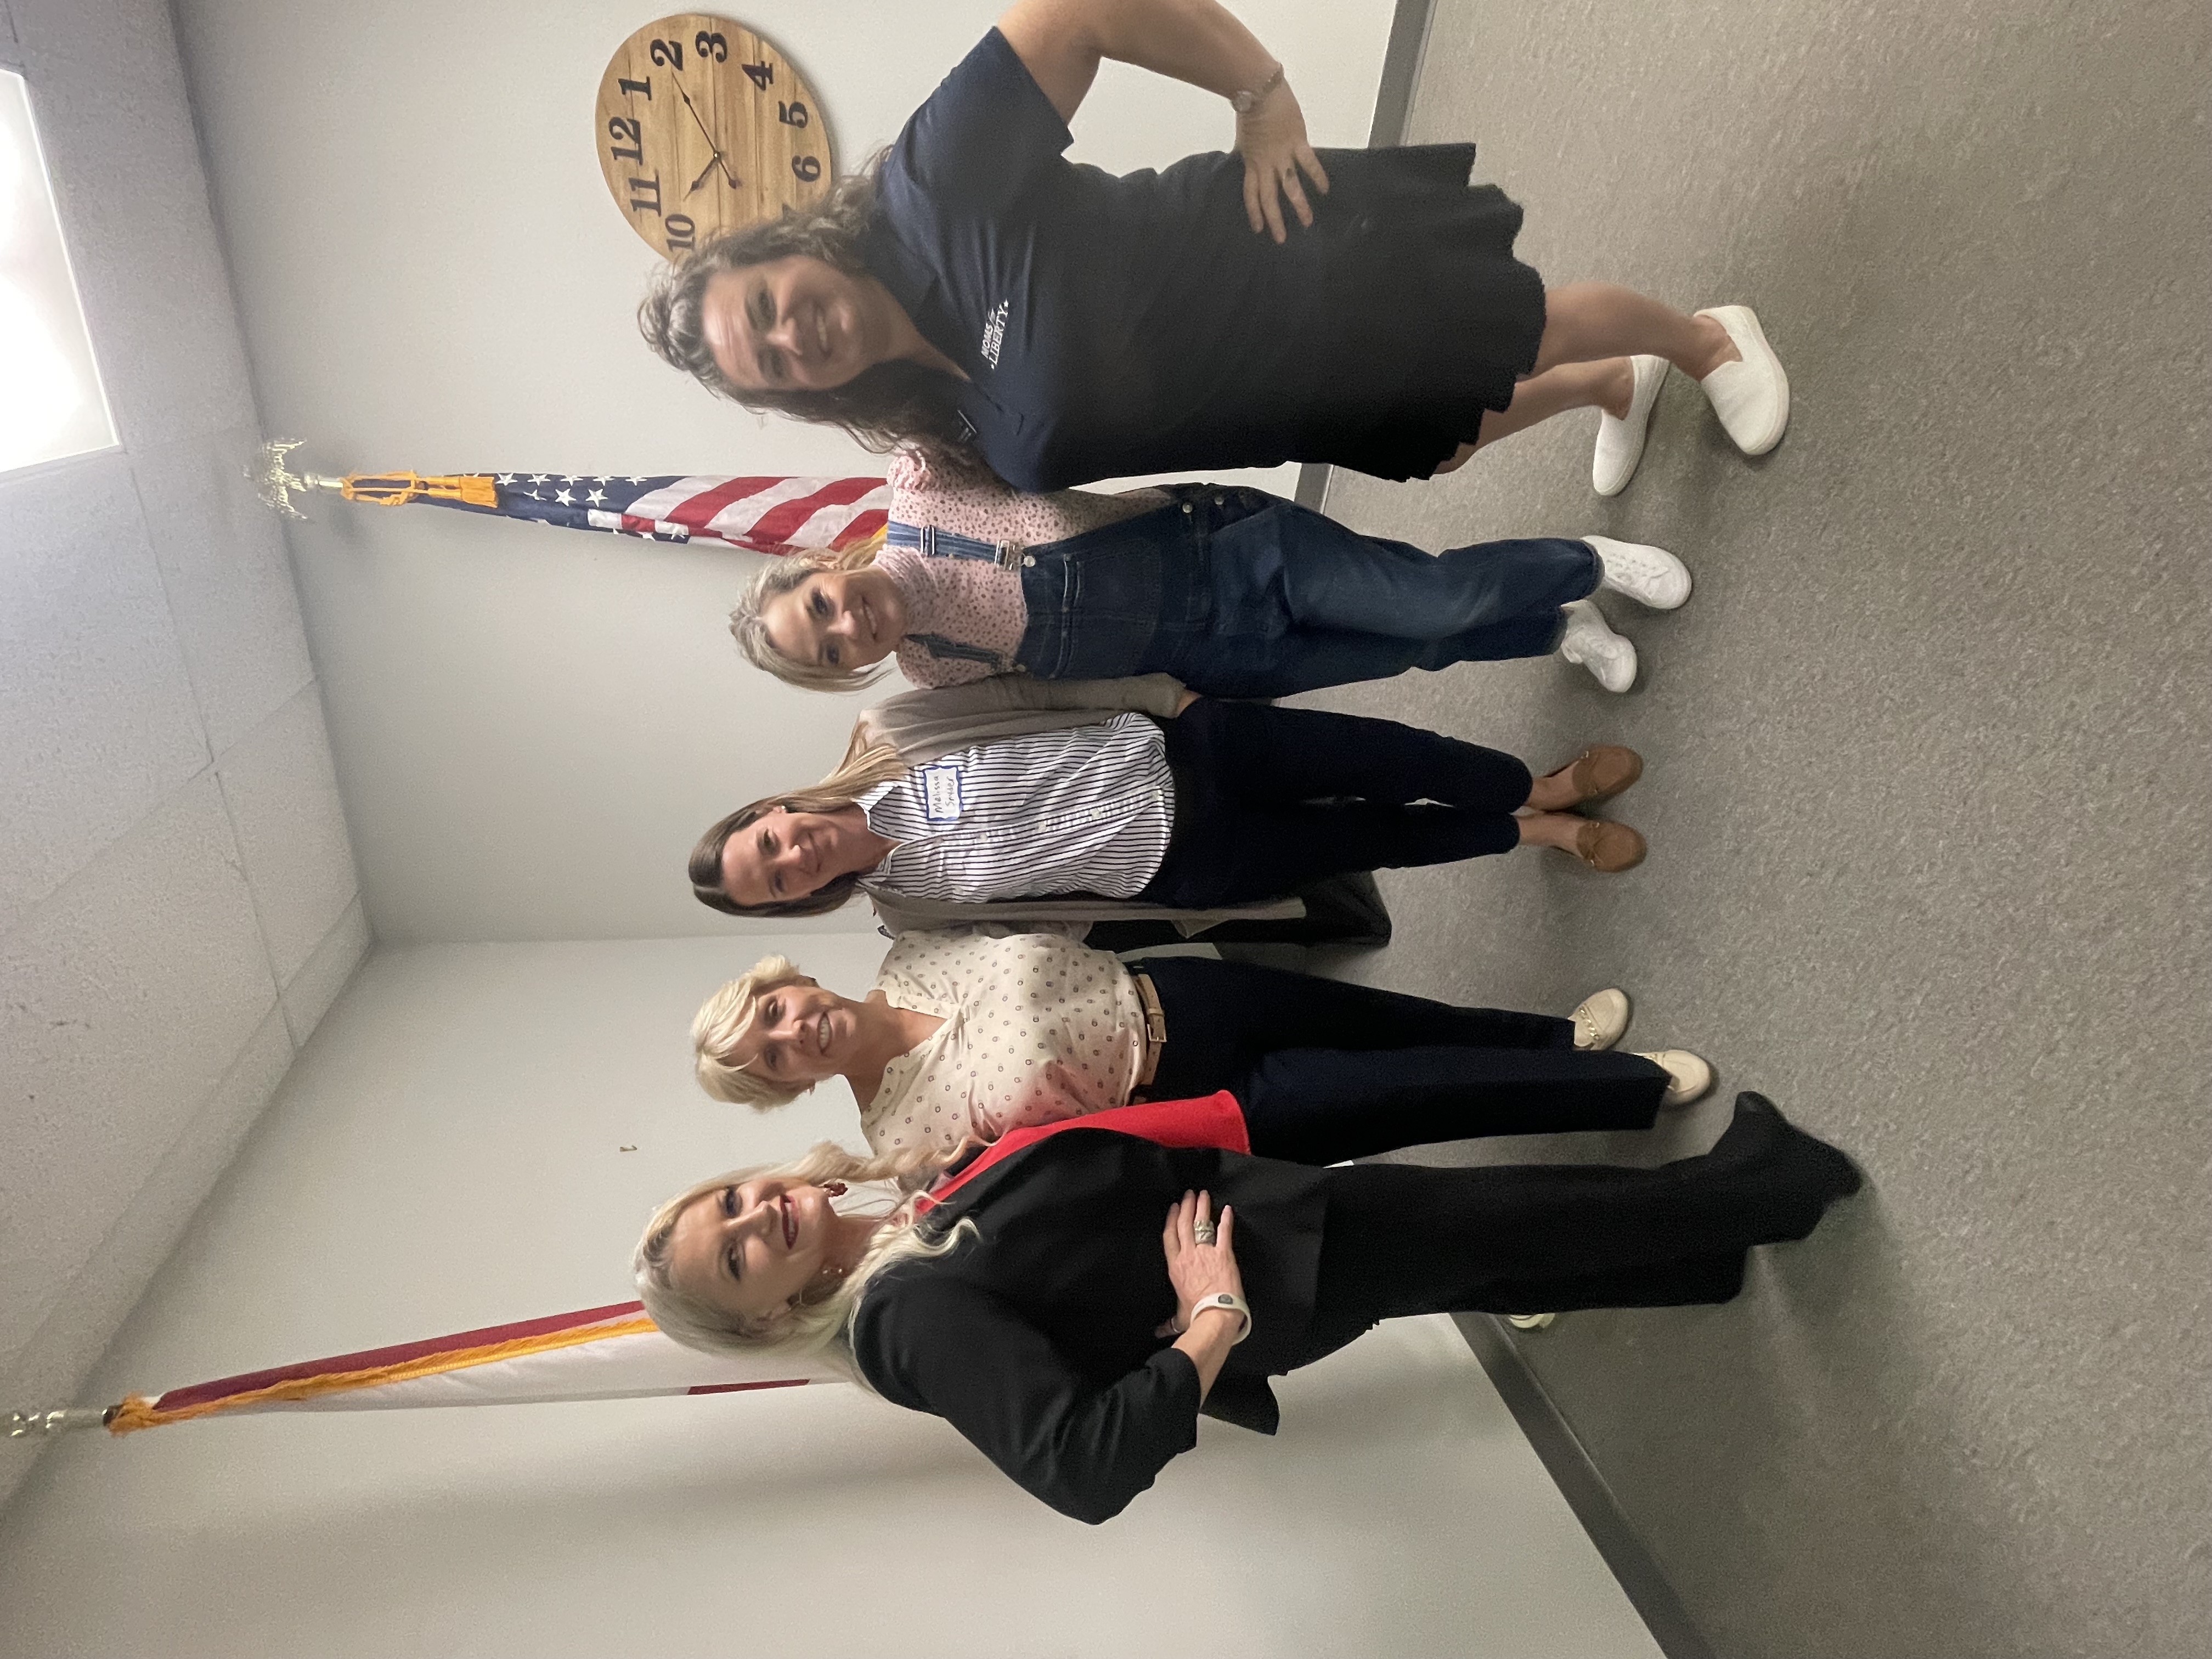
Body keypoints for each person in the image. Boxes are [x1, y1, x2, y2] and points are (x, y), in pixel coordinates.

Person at [637, 0, 1790, 496]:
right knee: (1448, 444)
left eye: (768, 306)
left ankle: (1703, 342)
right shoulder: (931, 415)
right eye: (773, 364)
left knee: (1518, 328)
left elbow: (1077, 12)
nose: (793, 336)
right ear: (798, 394)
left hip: (1286, 272)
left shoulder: (932, 189)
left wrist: (1261, 93)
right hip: (1276, 410)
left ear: (789, 253)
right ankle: (1610, 388)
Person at [633, 1090, 1863, 1522]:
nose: (754, 1220)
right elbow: (1079, 1466)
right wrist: (1211, 1317)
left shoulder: (897, 1241)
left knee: (1484, 1260)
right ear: (764, 1318)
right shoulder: (900, 1320)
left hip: (1273, 1244)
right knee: (1514, 1219)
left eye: (729, 1204)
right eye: (735, 1261)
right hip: (1273, 1267)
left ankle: (1696, 1260)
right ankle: (1768, 1191)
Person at [687, 675, 1652, 932]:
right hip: (1190, 863)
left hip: (1191, 749)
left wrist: (1166, 698)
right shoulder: (909, 912)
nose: (791, 859)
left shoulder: (892, 730)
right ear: (793, 902)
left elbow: (1032, 695)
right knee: (1379, 839)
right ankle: (1534, 832)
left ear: (771, 810)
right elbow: (1041, 925)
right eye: (776, 884)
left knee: (1389, 756)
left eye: (767, 844)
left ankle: (1536, 784)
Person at [731, 450, 1686, 697]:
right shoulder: (932, 666)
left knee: (1431, 598)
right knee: (1415, 650)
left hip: (1225, 549)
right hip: (1213, 657)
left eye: (820, 607)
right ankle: (1558, 626)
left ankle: (1587, 560)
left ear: (821, 567)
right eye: (829, 652)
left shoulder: (921, 485)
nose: (847, 626)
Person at [690, 930, 1711, 1161]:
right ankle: (1625, 1087)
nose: (792, 1033)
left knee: (1400, 1021)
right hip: (1198, 1110)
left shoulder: (912, 951)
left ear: (790, 982)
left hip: (1178, 992)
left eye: (772, 1012)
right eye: (770, 1058)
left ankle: (1556, 1038)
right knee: (1416, 1091)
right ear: (787, 1088)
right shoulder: (901, 1143)